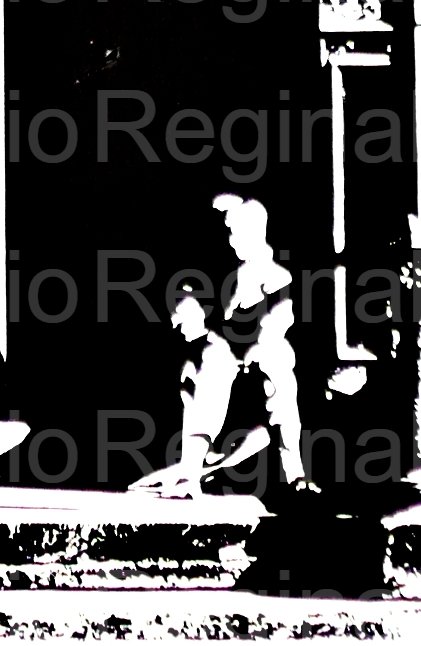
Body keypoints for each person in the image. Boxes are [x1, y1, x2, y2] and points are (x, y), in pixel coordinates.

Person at [133, 195, 314, 497]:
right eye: (229, 232)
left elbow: (280, 316)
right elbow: (211, 318)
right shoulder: (224, 273)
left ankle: (293, 472)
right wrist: (198, 326)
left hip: (263, 352)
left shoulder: (276, 274)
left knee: (280, 375)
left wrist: (259, 343)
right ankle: (190, 470)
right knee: (206, 366)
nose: (232, 240)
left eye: (238, 232)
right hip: (228, 354)